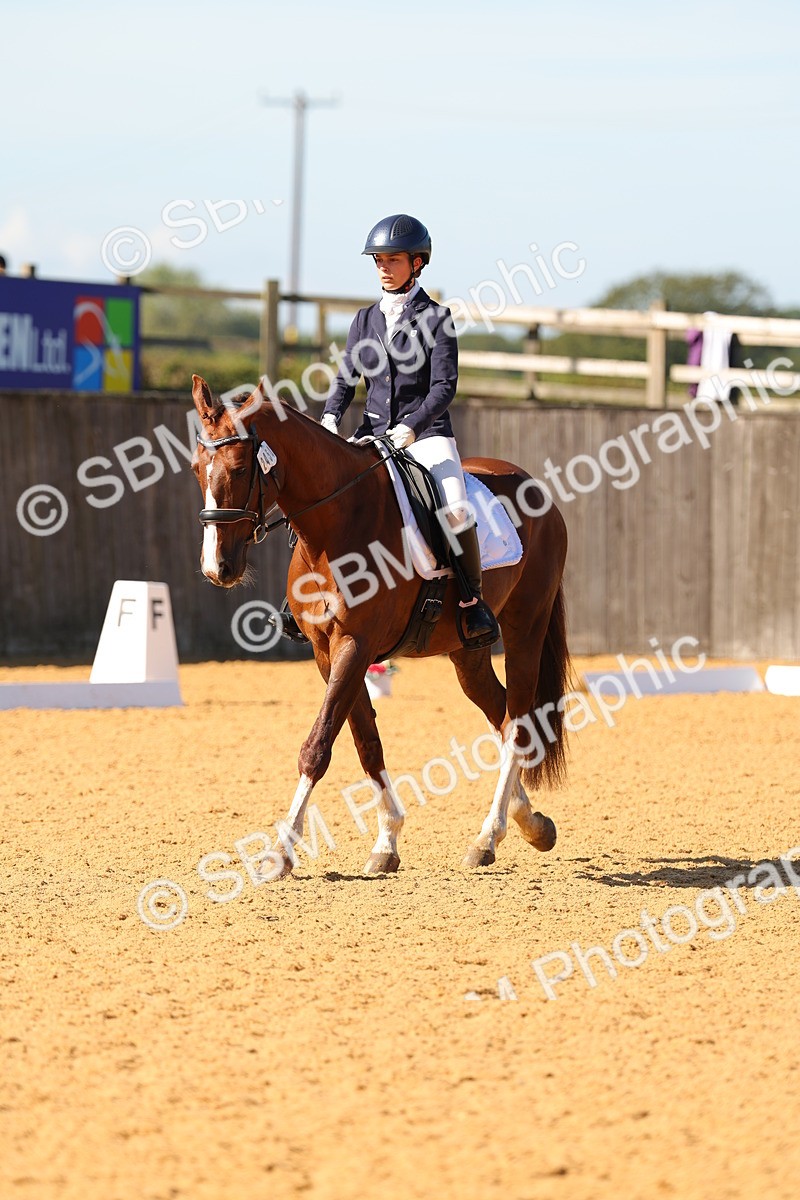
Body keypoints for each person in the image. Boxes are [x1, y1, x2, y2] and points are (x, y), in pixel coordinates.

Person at [312, 213, 499, 649]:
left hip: (427, 433)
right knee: (325, 496)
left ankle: (473, 604)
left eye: (392, 259)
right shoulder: (363, 320)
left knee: (454, 507)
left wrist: (412, 428)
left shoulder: (437, 318)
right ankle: (304, 601)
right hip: (372, 434)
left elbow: (443, 387)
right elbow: (345, 379)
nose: (382, 266)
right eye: (378, 259)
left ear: (417, 263)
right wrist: (329, 419)